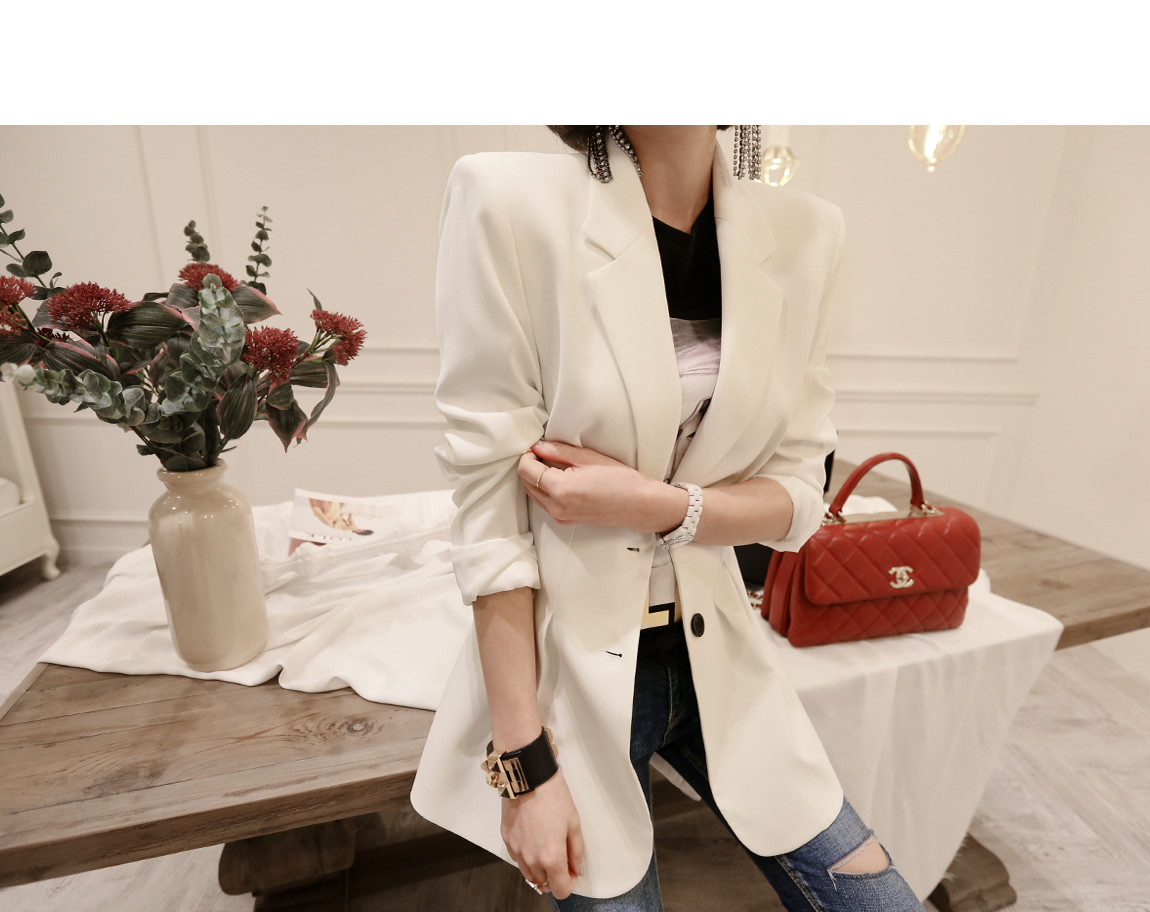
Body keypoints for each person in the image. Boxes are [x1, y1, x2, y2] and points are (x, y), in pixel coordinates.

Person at [410, 125, 926, 911]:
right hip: (567, 675)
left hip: (721, 661)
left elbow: (797, 500)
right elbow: (492, 521)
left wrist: (656, 507)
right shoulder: (509, 202)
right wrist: (524, 770)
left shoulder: (808, 233)